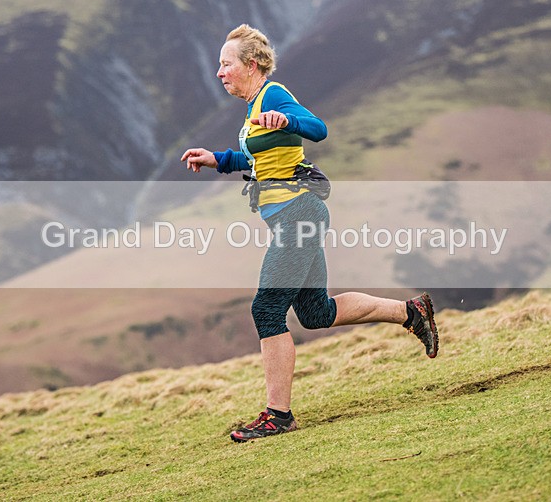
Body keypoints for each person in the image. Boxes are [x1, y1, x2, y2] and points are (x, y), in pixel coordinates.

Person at [180, 24, 439, 443]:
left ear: (251, 65)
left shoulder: (274, 95)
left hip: (297, 216)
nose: (219, 72)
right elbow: (254, 155)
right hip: (298, 216)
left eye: (225, 64)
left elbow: (317, 128)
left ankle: (278, 416)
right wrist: (217, 159)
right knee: (316, 313)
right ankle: (411, 311)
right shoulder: (252, 110)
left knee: (266, 310)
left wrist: (288, 117)